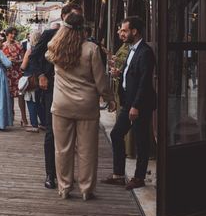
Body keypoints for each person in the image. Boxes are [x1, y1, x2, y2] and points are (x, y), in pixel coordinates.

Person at [46, 13, 116, 200]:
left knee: (62, 149)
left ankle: (65, 187)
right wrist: (109, 98)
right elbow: (100, 80)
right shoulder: (91, 49)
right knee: (87, 150)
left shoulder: (54, 47)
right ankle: (86, 189)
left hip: (61, 105)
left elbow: (47, 55)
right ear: (83, 28)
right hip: (87, 105)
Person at [28, 3, 83, 189]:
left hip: (75, 90)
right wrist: (41, 75)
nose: (77, 21)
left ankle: (67, 175)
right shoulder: (50, 35)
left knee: (73, 135)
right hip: (53, 88)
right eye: (74, 16)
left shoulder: (82, 37)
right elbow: (34, 56)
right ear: (64, 16)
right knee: (52, 132)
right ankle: (50, 174)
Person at [102, 16, 156, 190]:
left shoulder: (145, 52)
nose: (121, 33)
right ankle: (118, 175)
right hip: (129, 102)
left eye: (124, 30)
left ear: (134, 31)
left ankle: (139, 177)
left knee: (141, 141)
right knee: (117, 134)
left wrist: (136, 106)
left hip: (140, 104)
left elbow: (145, 82)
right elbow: (133, 74)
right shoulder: (131, 49)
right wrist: (120, 74)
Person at [2, 27, 28, 127]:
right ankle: (10, 116)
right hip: (7, 73)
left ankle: (24, 117)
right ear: (7, 34)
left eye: (14, 34)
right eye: (11, 34)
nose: (12, 36)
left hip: (17, 72)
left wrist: (16, 61)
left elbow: (24, 59)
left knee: (21, 95)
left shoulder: (19, 45)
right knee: (9, 96)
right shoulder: (2, 46)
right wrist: (7, 61)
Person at [20, 31, 42, 132]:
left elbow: (23, 66)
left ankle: (34, 125)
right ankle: (44, 122)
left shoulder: (30, 50)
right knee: (40, 102)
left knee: (31, 101)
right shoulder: (44, 49)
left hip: (31, 78)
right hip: (41, 78)